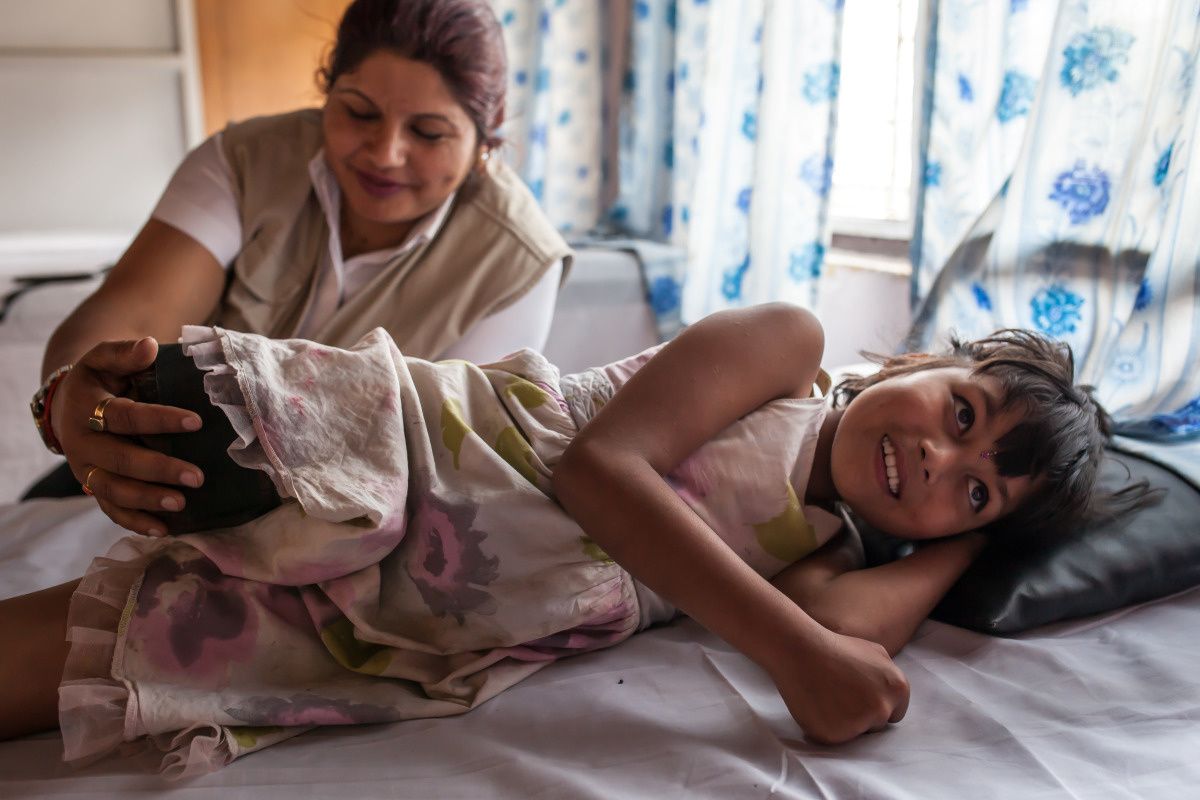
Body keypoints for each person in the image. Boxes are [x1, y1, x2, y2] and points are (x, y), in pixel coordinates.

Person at [0, 303, 1135, 776]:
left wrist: (965, 542)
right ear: (912, 365)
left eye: (974, 490)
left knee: (98, 657)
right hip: (451, 459)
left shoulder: (831, 545)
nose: (941, 461)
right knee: (200, 428)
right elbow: (600, 469)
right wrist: (795, 654)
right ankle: (161, 410)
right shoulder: (790, 347)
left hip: (440, 603)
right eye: (962, 413)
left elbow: (841, 631)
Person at [24, 0, 570, 539]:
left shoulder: (517, 260)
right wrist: (72, 396)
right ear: (326, 90)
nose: (385, 153)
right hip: (151, 473)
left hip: (351, 533)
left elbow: (445, 461)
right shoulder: (244, 162)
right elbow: (131, 315)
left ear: (487, 131)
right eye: (358, 112)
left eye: (428, 132)